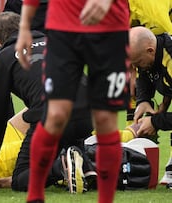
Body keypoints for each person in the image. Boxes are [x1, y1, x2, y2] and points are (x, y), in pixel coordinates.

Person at [15, 0, 130, 202]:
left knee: (105, 120)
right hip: (63, 28)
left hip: (110, 28)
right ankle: (34, 196)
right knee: (56, 115)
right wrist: (25, 25)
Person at [0, 12, 93, 193]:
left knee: (20, 179)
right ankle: (87, 168)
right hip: (87, 113)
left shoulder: (4, 57)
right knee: (71, 145)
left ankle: (61, 167)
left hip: (50, 117)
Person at [129, 26, 172, 185]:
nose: (138, 67)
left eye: (139, 62)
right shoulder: (151, 55)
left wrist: (155, 122)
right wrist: (143, 100)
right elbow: (143, 75)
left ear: (150, 50)